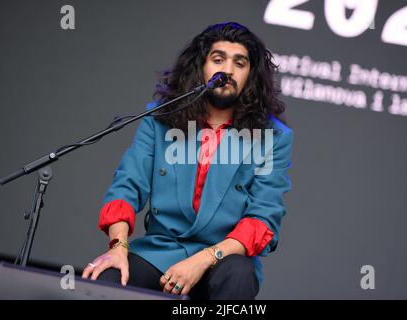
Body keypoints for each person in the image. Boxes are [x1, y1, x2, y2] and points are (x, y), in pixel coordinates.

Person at [82, 22, 293, 300]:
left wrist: (204, 258)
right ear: (200, 67)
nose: (227, 70)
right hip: (159, 252)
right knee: (107, 276)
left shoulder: (271, 137)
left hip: (223, 257)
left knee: (240, 275)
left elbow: (263, 219)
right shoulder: (160, 118)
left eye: (239, 63)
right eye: (218, 59)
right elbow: (126, 186)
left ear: (250, 75)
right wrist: (118, 247)